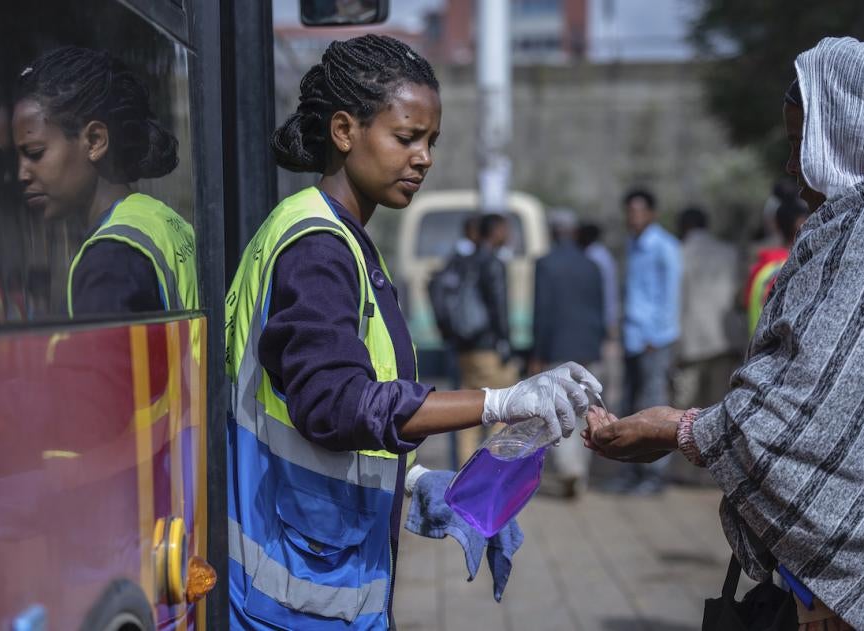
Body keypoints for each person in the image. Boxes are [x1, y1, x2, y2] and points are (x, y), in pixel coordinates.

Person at [224, 35, 600, 630]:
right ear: (344, 131)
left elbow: (317, 411)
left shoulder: (331, 234)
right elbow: (336, 404)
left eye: (431, 141)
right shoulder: (317, 247)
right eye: (406, 138)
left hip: (323, 570)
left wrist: (418, 481)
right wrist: (499, 401)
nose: (423, 157)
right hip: (297, 593)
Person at [584, 37, 864, 630]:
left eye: (803, 141)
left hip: (855, 590)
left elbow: (809, 416)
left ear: (852, 133)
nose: (791, 164)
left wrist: (678, 427)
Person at [12, 46, 197, 316]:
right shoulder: (158, 219)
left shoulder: (108, 263)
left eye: (36, 153)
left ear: (95, 141)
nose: (22, 173)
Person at [530, 209, 605, 497]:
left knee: (560, 409)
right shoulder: (592, 265)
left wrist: (537, 351)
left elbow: (543, 312)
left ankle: (569, 468)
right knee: (585, 408)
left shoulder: (545, 264)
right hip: (587, 348)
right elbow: (600, 309)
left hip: (557, 348)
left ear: (552, 233)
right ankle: (580, 471)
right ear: (573, 233)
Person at [616, 187, 682, 494]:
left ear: (652, 214)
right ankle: (632, 471)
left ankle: (654, 476)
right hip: (632, 336)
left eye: (640, 211)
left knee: (652, 404)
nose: (634, 217)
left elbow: (670, 294)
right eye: (630, 211)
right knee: (630, 404)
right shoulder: (633, 243)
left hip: (654, 340)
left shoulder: (664, 246)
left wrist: (656, 335)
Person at [673, 207, 742, 484]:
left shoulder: (678, 253)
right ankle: (715, 473)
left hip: (689, 342)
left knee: (683, 410)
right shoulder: (729, 252)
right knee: (717, 410)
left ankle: (684, 471)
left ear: (684, 226)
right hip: (725, 340)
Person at [452, 211, 517, 464]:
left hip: (465, 348)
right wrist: (506, 343)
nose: (508, 236)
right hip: (489, 348)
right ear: (497, 231)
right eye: (506, 230)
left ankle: (464, 470)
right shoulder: (493, 263)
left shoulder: (463, 261)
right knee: (502, 411)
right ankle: (493, 470)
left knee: (467, 414)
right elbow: (499, 308)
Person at [744, 196, 809, 335]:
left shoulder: (760, 267)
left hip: (757, 349)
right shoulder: (805, 266)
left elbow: (747, 303)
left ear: (776, 225)